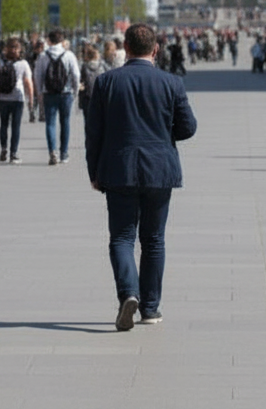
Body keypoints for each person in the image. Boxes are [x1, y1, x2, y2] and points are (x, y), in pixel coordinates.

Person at [85, 22, 197, 330]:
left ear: (126, 47)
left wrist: (94, 171)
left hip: (119, 169)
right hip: (160, 169)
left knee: (122, 237)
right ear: (156, 49)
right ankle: (150, 307)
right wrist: (163, 134)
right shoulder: (171, 83)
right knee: (154, 239)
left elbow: (94, 132)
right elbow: (188, 128)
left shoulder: (107, 82)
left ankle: (128, 294)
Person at [35, 30, 80, 165]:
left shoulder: (43, 56)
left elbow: (38, 76)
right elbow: (76, 75)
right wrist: (75, 91)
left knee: (50, 123)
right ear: (61, 40)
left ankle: (52, 152)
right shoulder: (69, 55)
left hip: (49, 93)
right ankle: (64, 153)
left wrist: (39, 92)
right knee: (65, 122)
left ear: (49, 40)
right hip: (65, 93)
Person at [0, 38, 34, 165]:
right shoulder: (23, 64)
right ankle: (13, 153)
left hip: (3, 98)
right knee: (16, 126)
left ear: (6, 49)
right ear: (19, 49)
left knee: (3, 125)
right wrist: (31, 99)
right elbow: (28, 83)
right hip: (18, 99)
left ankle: (4, 148)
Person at [78, 43, 107, 124]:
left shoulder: (84, 66)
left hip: (87, 96)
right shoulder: (102, 66)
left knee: (87, 121)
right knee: (100, 120)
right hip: (100, 96)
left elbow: (81, 81)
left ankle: (89, 136)